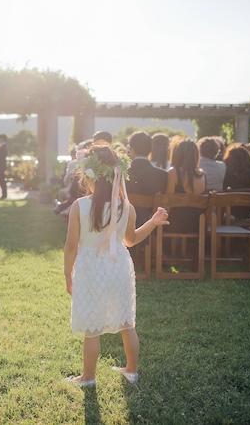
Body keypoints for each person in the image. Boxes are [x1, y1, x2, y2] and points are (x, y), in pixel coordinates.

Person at [63, 143, 169, 386]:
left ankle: (89, 376)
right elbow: (131, 240)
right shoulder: (126, 207)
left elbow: (71, 246)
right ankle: (132, 370)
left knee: (92, 327)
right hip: (119, 265)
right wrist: (152, 222)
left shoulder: (80, 206)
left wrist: (67, 273)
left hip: (91, 268)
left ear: (89, 177)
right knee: (126, 322)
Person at [126, 131, 167, 229]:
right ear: (150, 150)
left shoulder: (123, 174)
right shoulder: (163, 175)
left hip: (126, 224)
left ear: (132, 149)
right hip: (151, 224)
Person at [165, 139, 206, 232]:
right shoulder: (203, 175)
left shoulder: (174, 172)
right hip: (197, 225)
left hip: (175, 224)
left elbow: (168, 202)